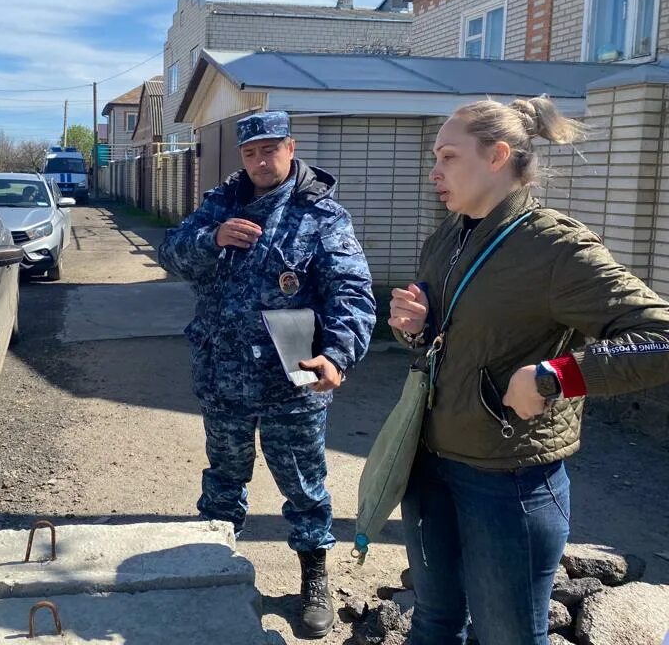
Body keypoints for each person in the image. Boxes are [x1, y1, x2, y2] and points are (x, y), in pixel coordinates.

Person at [389, 96, 669, 645]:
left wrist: (555, 377)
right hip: (429, 461)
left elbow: (660, 337)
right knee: (433, 622)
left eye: (447, 156)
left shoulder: (554, 247)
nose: (434, 171)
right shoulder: (449, 234)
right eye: (434, 157)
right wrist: (414, 327)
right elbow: (451, 340)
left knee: (507, 635)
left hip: (507, 481)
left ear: (497, 156)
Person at [158, 110, 376, 637]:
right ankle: (213, 570)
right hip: (224, 372)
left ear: (290, 147)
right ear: (242, 156)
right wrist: (212, 240)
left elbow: (353, 294)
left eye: (270, 149)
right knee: (223, 480)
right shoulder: (219, 205)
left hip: (292, 378)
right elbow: (170, 254)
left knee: (304, 486)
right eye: (251, 152)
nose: (260, 160)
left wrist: (339, 354)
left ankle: (314, 576)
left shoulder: (321, 214)